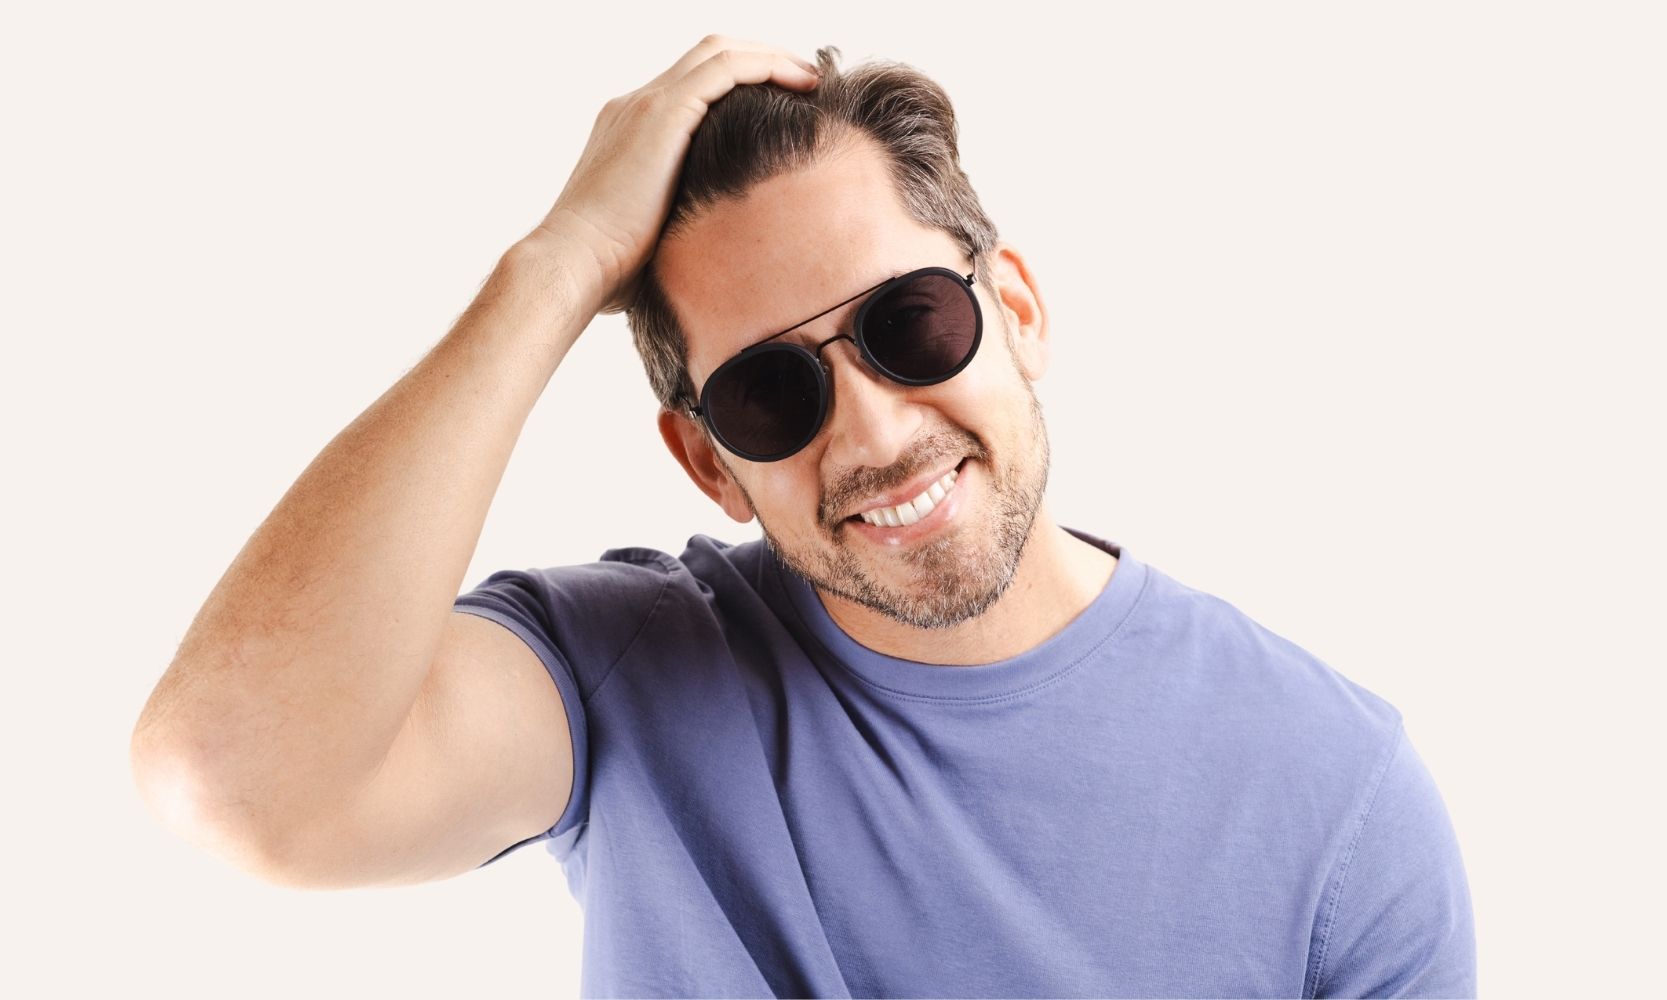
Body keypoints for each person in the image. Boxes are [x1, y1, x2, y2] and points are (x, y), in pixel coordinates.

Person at [131, 37, 1477, 998]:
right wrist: (556, 265)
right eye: (771, 394)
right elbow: (229, 775)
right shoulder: (622, 679)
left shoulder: (1334, 791)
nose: (876, 434)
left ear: (1015, 308)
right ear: (707, 465)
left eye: (912, 324)